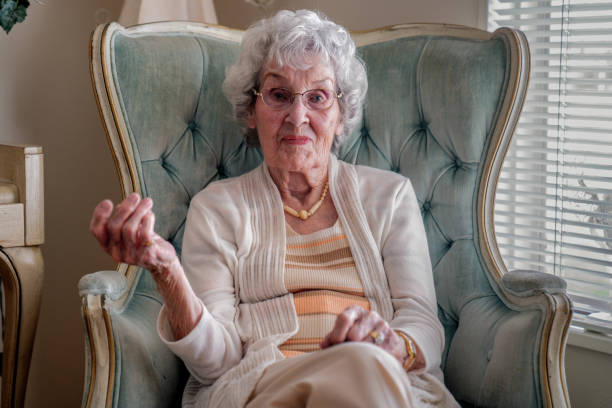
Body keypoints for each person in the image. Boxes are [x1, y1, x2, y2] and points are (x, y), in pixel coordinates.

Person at [90, 9, 459, 408]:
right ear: (251, 110)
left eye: (317, 97)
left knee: (363, 365)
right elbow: (216, 364)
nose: (298, 117)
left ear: (341, 113)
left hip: (385, 381)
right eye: (279, 95)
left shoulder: (389, 197)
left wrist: (391, 346)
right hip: (265, 388)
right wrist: (167, 271)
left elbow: (421, 322)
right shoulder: (217, 209)